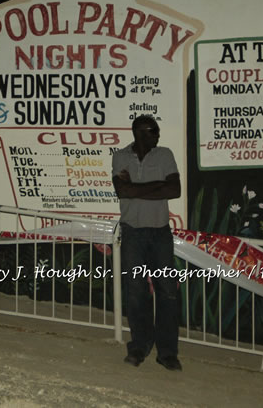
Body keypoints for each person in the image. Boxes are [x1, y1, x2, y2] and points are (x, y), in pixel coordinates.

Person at [112, 115, 182, 371]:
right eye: (153, 131)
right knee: (136, 292)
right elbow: (123, 191)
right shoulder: (120, 156)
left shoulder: (165, 154)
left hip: (160, 233)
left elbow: (174, 190)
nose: (158, 134)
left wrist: (136, 186)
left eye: (157, 130)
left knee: (167, 292)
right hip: (133, 234)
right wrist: (156, 186)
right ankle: (139, 346)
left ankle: (167, 352)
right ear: (138, 133)